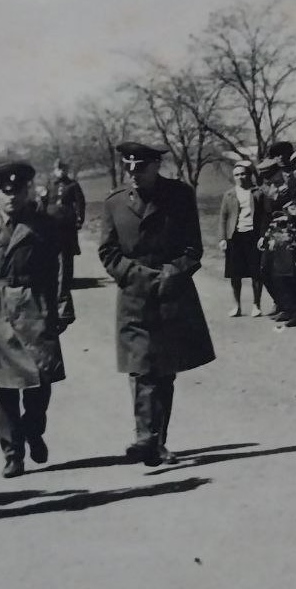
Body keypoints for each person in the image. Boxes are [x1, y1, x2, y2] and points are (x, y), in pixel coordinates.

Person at [98, 142, 215, 466]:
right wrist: (138, 275)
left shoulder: (179, 196)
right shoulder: (114, 203)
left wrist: (172, 272)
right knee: (141, 370)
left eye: (141, 167)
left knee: (163, 373)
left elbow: (193, 249)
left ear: (156, 166)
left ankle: (156, 441)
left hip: (170, 294)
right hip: (134, 297)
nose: (133, 174)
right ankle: (145, 438)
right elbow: (108, 253)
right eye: (128, 167)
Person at [0, 162, 64, 478]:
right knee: (5, 387)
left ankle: (33, 429)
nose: (10, 198)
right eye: (4, 192)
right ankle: (12, 454)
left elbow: (60, 269)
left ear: (27, 191)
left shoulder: (45, 225)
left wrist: (62, 306)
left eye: (17, 191)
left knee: (41, 380)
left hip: (34, 304)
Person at [218, 161, 266, 317]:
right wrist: (223, 238)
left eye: (243, 173)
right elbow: (223, 218)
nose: (240, 177)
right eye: (237, 175)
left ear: (250, 175)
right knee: (235, 273)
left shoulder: (258, 193)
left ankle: (256, 305)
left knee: (256, 272)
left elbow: (265, 217)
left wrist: (263, 236)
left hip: (253, 236)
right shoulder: (229, 194)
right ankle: (237, 305)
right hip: (235, 237)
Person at [46, 158, 87, 327]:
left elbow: (80, 203)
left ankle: (63, 296)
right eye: (58, 168)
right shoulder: (49, 185)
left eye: (63, 169)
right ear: (54, 169)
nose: (61, 171)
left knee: (65, 261)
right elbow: (43, 203)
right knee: (51, 261)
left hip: (66, 228)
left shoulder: (73, 185)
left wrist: (79, 220)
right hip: (50, 227)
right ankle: (54, 293)